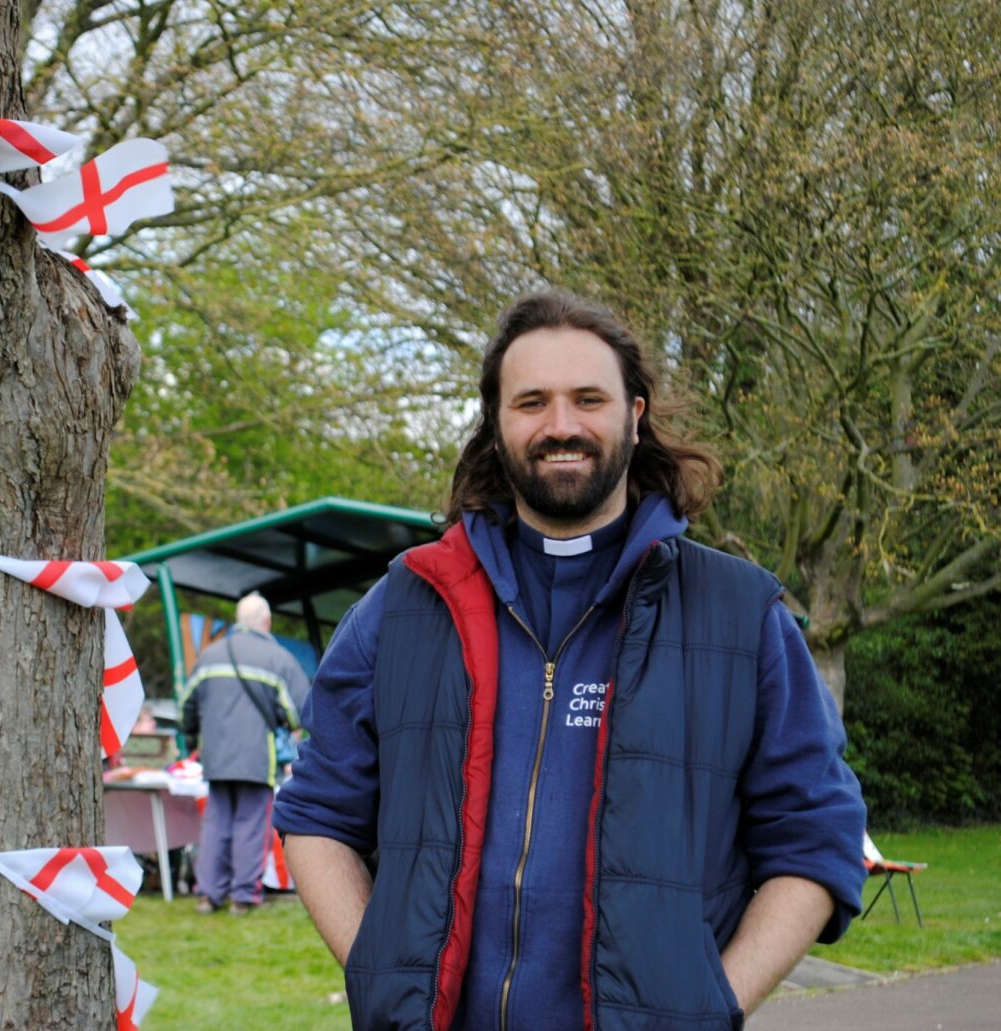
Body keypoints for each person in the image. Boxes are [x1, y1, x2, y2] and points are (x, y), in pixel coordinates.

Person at [273, 291, 867, 1030]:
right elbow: (316, 811)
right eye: (532, 402)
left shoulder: (740, 614)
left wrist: (705, 1007)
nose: (562, 426)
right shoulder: (405, 604)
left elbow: (816, 839)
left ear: (635, 413)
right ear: (495, 423)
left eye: (589, 398)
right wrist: (387, 973)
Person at [182, 591, 311, 915]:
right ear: (265, 622)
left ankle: (209, 895)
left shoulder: (209, 655)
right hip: (257, 758)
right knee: (251, 825)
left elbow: (187, 705)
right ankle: (243, 897)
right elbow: (300, 712)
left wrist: (192, 737)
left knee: (216, 823)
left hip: (215, 757)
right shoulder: (277, 658)